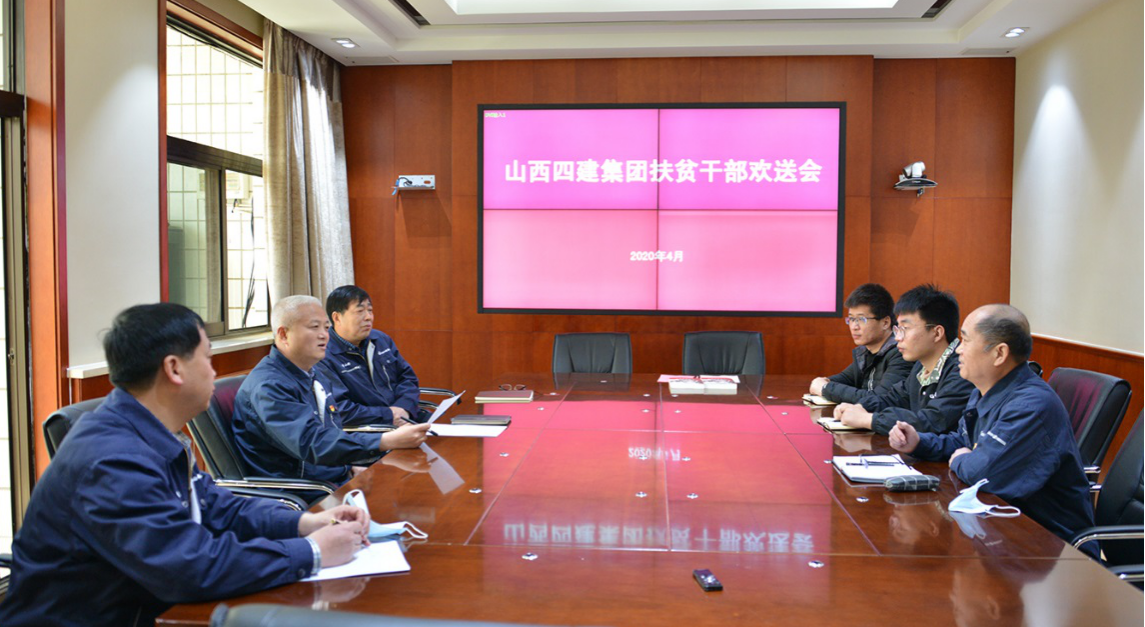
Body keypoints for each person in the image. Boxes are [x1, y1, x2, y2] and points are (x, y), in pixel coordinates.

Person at [0, 303, 369, 627]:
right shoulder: (112, 458)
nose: (213, 371)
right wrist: (312, 552)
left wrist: (305, 524)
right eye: (207, 358)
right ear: (174, 369)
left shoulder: (150, 432)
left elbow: (216, 506)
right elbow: (188, 567)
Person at [888, 304, 1096, 547]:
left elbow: (984, 473)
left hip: (1051, 547)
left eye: (965, 341)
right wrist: (919, 442)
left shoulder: (1031, 406)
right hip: (1005, 532)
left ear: (999, 353)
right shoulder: (986, 390)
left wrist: (960, 459)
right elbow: (963, 441)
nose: (958, 350)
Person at [231, 295, 430, 498]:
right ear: (283, 334)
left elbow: (330, 431)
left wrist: (348, 469)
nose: (324, 335)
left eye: (326, 328)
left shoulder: (312, 373)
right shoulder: (269, 386)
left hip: (329, 477)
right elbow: (313, 443)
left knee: (414, 487)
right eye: (314, 327)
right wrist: (384, 440)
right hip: (300, 491)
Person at [834, 284, 974, 435]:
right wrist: (860, 406)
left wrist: (869, 419)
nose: (898, 338)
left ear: (937, 333)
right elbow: (893, 398)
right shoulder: (921, 366)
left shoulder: (962, 369)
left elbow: (931, 421)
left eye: (905, 329)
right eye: (898, 329)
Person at [316, 285, 424, 427]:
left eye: (370, 310)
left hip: (405, 416)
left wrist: (404, 408)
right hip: (372, 429)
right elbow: (340, 409)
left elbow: (407, 378)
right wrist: (389, 415)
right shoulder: (323, 354)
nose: (368, 317)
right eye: (360, 311)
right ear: (337, 317)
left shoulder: (380, 339)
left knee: (448, 432)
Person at [809, 283, 912, 403]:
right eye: (851, 319)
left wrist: (825, 388)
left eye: (861, 319)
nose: (854, 326)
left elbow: (879, 399)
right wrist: (822, 384)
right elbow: (841, 380)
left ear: (885, 322)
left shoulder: (901, 353)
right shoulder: (865, 352)